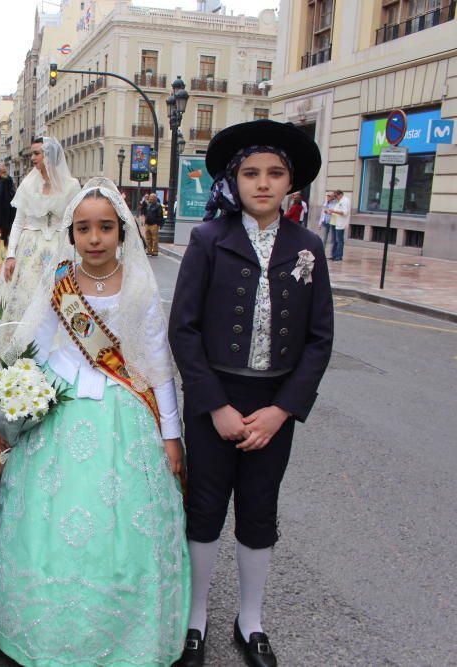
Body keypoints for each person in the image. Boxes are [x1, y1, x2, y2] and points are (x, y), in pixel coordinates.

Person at [0, 178, 189, 667]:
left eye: (105, 228)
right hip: (64, 406)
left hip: (124, 411)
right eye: (83, 229)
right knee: (51, 516)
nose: (94, 238)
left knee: (122, 524)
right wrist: (21, 395)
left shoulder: (140, 284)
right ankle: (49, 627)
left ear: (122, 231)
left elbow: (158, 361)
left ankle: (127, 631)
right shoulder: (60, 280)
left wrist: (171, 434)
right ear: (71, 234)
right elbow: (40, 341)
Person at [168, 120, 333, 667]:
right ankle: (195, 620)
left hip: (273, 405)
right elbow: (184, 328)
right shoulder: (209, 240)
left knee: (260, 510)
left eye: (275, 174)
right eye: (251, 173)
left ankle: (251, 620)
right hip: (215, 400)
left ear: (291, 184)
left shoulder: (308, 247)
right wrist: (214, 405)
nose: (263, 183)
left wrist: (281, 410)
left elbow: (318, 339)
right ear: (234, 181)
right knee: (205, 508)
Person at [0, 137, 80, 322]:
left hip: (60, 249)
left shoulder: (72, 186)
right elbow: (18, 222)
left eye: (37, 153)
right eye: (32, 153)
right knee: (24, 298)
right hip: (30, 250)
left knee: (58, 299)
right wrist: (11, 255)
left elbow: (77, 223)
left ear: (49, 155)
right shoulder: (28, 185)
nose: (32, 158)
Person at [329, 189, 350, 261]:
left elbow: (344, 212)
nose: (335, 197)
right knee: (334, 240)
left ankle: (339, 256)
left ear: (340, 194)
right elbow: (337, 211)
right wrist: (331, 212)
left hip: (340, 223)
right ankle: (334, 255)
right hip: (335, 222)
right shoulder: (339, 201)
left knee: (339, 240)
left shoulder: (345, 201)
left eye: (336, 196)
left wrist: (334, 211)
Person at [144, 192, 165, 256]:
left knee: (155, 238)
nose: (150, 198)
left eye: (151, 197)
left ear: (155, 198)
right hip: (147, 224)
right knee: (147, 238)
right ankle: (149, 251)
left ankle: (155, 251)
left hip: (154, 224)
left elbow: (160, 216)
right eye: (150, 197)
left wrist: (158, 224)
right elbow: (146, 213)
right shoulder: (148, 205)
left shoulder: (158, 206)